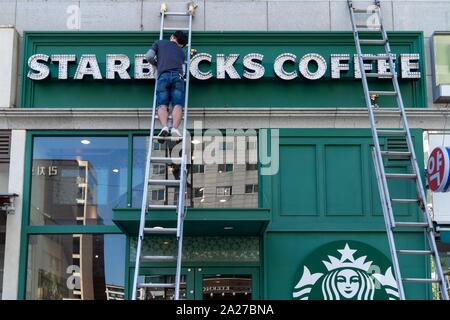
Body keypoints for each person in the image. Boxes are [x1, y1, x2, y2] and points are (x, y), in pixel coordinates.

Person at [145, 30, 188, 143]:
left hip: (163, 76)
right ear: (181, 44)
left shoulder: (159, 43)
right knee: (177, 104)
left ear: (172, 37)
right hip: (178, 77)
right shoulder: (181, 52)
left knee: (162, 104)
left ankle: (164, 126)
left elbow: (149, 56)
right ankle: (174, 128)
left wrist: (157, 64)